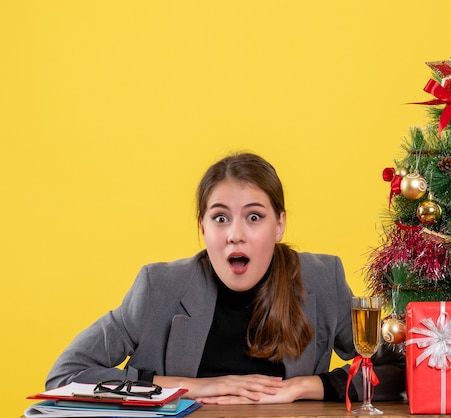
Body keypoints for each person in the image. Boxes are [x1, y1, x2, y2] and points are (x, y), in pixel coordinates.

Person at [46, 152, 406, 405]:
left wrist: (304, 386)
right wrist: (193, 387)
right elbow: (66, 375)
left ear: (279, 225)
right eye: (220, 218)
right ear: (202, 226)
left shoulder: (321, 280)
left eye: (254, 217)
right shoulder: (158, 287)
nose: (236, 234)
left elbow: (402, 368)